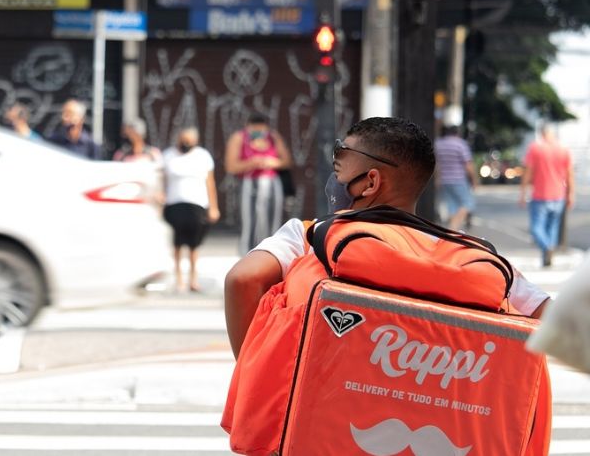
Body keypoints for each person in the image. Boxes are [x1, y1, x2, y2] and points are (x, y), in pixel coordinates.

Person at [224, 117, 551, 357]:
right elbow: (549, 317)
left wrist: (250, 370)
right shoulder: (472, 254)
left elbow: (242, 279)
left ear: (370, 183)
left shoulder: (309, 235)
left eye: (340, 166)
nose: (333, 177)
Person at [225, 113, 293, 255]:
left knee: (273, 224)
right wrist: (251, 163)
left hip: (272, 184)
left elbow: (286, 161)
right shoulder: (239, 138)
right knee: (250, 224)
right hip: (250, 184)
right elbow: (231, 166)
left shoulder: (273, 137)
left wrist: (273, 162)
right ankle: (248, 256)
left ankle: (272, 255)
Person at [162, 126, 220, 292]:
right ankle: (179, 278)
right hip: (174, 204)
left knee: (194, 244)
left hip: (197, 205)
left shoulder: (203, 156)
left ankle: (193, 279)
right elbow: (162, 180)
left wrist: (213, 207)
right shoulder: (168, 156)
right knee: (177, 243)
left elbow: (210, 183)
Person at [519, 124, 574, 267]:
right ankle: (547, 254)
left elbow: (528, 172)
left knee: (536, 228)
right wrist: (571, 194)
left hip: (540, 195)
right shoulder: (564, 149)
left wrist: (523, 192)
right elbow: (569, 174)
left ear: (542, 134)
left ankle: (546, 248)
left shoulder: (535, 148)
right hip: (558, 195)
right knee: (552, 228)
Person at [434, 124, 476, 230]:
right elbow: (468, 165)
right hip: (458, 180)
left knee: (452, 206)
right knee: (468, 204)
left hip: (444, 180)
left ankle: (453, 230)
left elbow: (436, 164)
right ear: (457, 133)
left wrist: (437, 179)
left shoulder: (438, 144)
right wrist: (474, 180)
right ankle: (453, 228)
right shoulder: (460, 144)